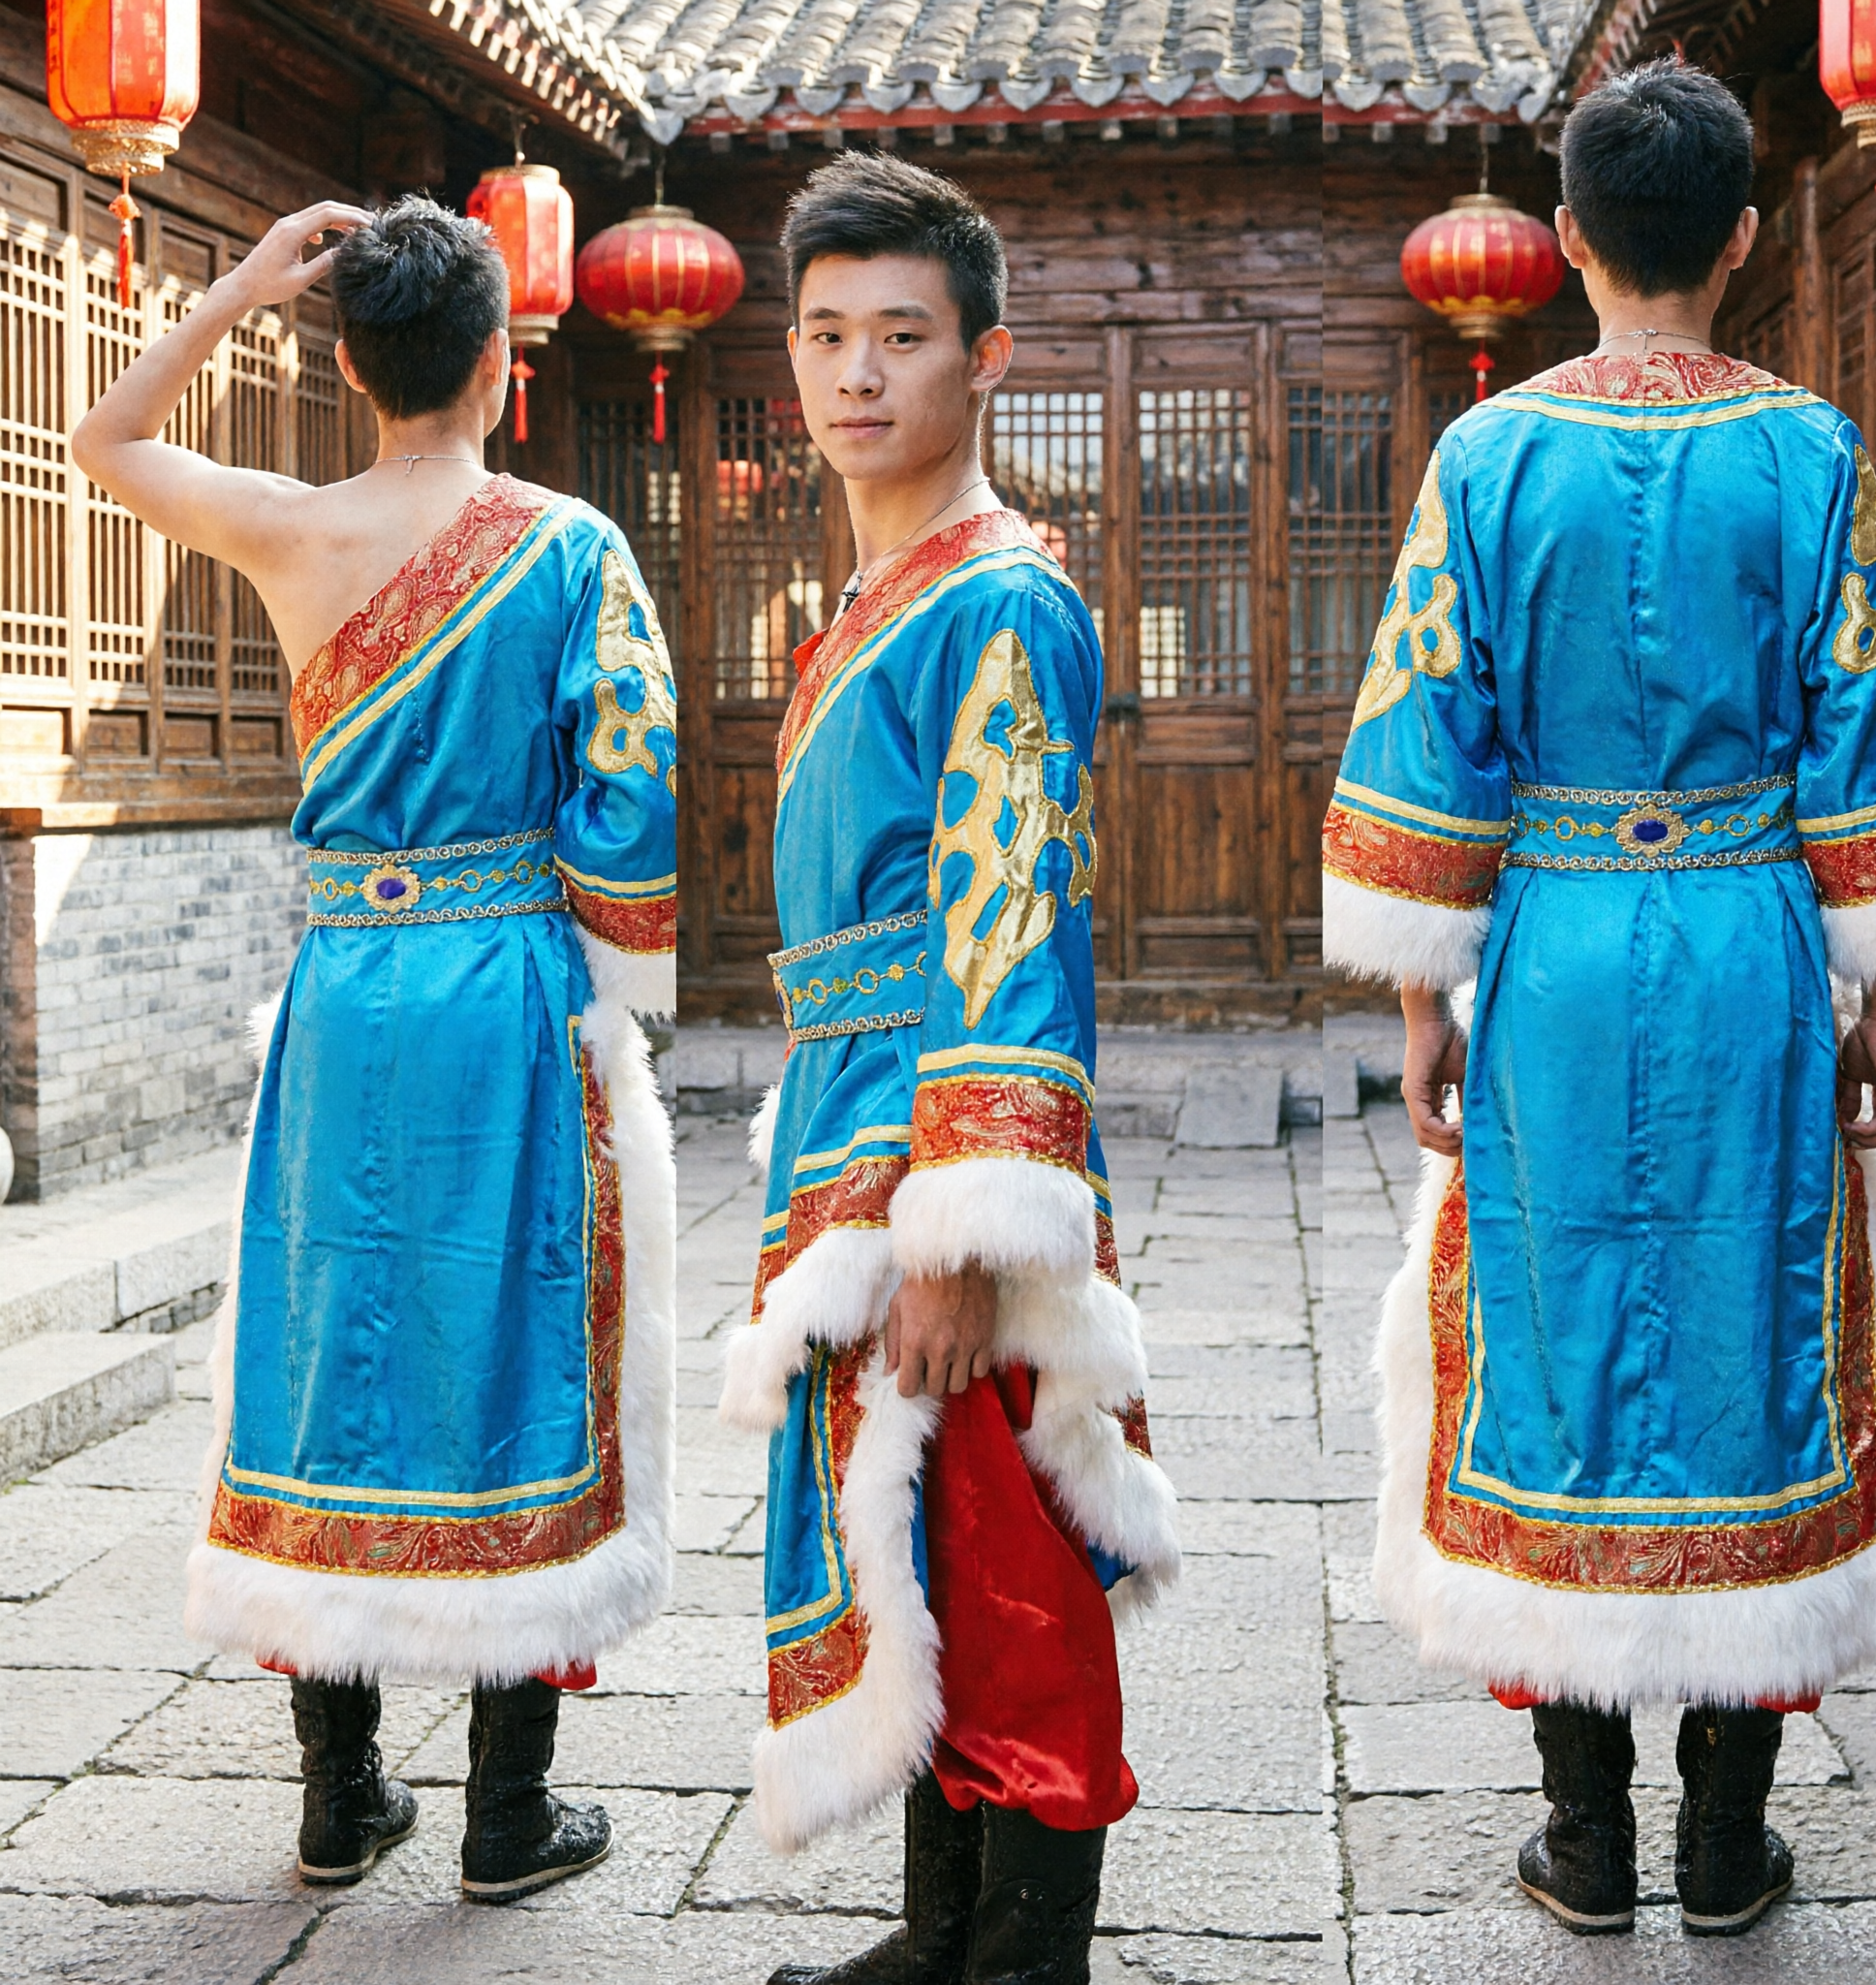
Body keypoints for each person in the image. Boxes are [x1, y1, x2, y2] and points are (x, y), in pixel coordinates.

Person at [1322, 59, 1876, 1941]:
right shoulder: (1810, 453)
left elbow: (1427, 736)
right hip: (1749, 941)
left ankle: (1586, 1833)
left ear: (1565, 239)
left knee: (1550, 1330)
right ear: (1746, 236)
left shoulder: (1486, 459)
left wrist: (1422, 1006)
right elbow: (1872, 731)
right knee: (1750, 1323)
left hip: (1555, 947)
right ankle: (1724, 1839)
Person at [72, 198, 677, 1901]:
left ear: (348, 368)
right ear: (501, 366)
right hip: (505, 982)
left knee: (328, 1334)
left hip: (342, 988)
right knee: (516, 1329)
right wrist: (615, 963)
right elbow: (629, 793)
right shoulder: (568, 549)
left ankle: (338, 1796)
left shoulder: (289, 529)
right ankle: (504, 1811)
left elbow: (101, 439)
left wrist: (237, 288)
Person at [718, 153, 1178, 1985]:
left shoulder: (1001, 602)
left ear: (986, 357)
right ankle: (943, 1931)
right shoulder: (870, 600)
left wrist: (961, 1230)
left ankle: (1025, 1957)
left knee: (1004, 1564)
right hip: (853, 1121)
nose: (857, 371)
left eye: (903, 334)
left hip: (940, 1137)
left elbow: (1011, 925)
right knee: (916, 1540)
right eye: (826, 331)